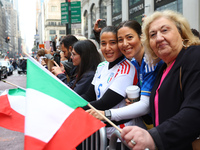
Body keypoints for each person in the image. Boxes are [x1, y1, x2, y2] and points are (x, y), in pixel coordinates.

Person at [121, 10, 200, 150]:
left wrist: (154, 137)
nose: (159, 38)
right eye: (152, 35)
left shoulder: (194, 56)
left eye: (165, 30)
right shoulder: (163, 67)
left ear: (181, 33)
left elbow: (195, 109)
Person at [87, 20, 163, 129]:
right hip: (150, 123)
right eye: (120, 40)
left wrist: (106, 114)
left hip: (163, 125)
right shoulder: (134, 62)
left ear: (141, 37)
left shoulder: (150, 62)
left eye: (129, 37)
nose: (125, 44)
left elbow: (145, 105)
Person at [81, 26, 145, 149]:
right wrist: (71, 103)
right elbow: (89, 95)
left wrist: (75, 109)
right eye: (103, 43)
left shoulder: (127, 68)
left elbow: (105, 103)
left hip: (124, 134)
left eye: (113, 43)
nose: (107, 48)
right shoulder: (101, 66)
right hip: (103, 133)